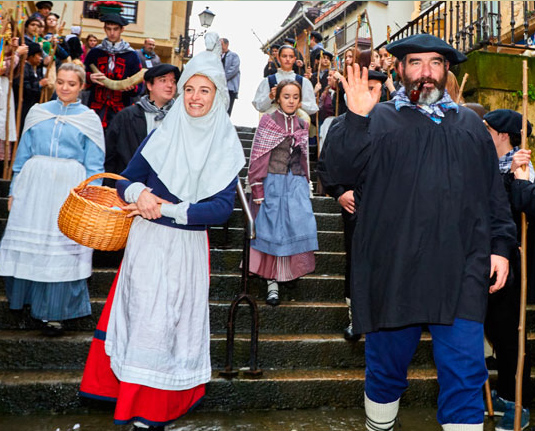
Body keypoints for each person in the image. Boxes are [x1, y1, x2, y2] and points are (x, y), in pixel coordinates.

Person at [323, 33, 516, 430]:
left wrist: (500, 246)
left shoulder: (471, 128)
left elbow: (493, 197)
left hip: (461, 266)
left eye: (434, 63)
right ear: (400, 69)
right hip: (394, 266)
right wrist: (356, 119)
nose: (425, 73)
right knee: (386, 369)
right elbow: (337, 173)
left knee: (465, 371)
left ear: (447, 71)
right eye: (415, 63)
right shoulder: (377, 119)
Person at [79, 32, 245, 431]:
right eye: (189, 89)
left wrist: (168, 208)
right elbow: (124, 180)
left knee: (172, 324)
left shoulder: (226, 146)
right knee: (144, 321)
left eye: (204, 90)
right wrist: (139, 192)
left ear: (218, 95)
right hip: (147, 243)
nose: (194, 97)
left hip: (186, 247)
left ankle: (158, 408)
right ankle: (131, 403)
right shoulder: (163, 133)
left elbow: (222, 210)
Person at [0, 63, 105, 336]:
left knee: (61, 247)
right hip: (34, 186)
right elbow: (22, 155)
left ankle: (55, 313)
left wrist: (91, 198)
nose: (65, 88)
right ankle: (26, 305)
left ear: (82, 86)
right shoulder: (37, 113)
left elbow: (94, 164)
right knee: (32, 244)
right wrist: (15, 189)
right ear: (54, 83)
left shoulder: (89, 119)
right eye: (60, 82)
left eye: (71, 83)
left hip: (68, 187)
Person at [317, 69, 387, 342]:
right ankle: (354, 316)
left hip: (386, 207)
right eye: (362, 86)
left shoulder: (391, 123)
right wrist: (338, 193)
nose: (366, 92)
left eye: (373, 88)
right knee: (356, 262)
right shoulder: (338, 125)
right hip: (354, 208)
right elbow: (326, 165)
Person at [482, 109, 533, 431]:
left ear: (501, 134)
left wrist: (515, 178)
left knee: (509, 335)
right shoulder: (488, 166)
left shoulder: (523, 167)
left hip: (512, 265)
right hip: (484, 259)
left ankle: (520, 401)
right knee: (494, 332)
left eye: (486, 129)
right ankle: (502, 393)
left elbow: (516, 205)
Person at [248, 79, 318, 306]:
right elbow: (258, 156)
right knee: (273, 230)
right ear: (278, 98)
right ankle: (272, 283)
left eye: (295, 97)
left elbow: (305, 157)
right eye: (286, 96)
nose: (291, 101)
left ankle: (288, 274)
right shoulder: (268, 122)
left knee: (297, 227)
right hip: (273, 183)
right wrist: (257, 186)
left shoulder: (303, 124)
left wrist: (307, 182)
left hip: (295, 183)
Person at [105, 63, 180, 176]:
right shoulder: (126, 117)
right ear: (149, 85)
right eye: (163, 80)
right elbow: (111, 156)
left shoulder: (180, 118)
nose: (170, 85)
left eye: (173, 81)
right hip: (128, 185)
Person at [84, 13, 142, 128]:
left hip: (121, 108)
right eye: (109, 29)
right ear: (104, 29)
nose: (112, 33)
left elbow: (140, 87)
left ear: (122, 30)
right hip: (96, 107)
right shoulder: (95, 53)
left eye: (115, 29)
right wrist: (89, 77)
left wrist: (132, 88)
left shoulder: (131, 55)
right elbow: (81, 76)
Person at [252, 45, 318, 117]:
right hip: (274, 123)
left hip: (296, 124)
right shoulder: (268, 81)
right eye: (284, 56)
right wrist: (270, 97)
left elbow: (313, 108)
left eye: (291, 56)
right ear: (278, 58)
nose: (287, 59)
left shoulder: (303, 82)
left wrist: (299, 104)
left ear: (295, 59)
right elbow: (259, 106)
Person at [13, 42, 49, 134]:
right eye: (38, 55)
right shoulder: (24, 68)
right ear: (31, 56)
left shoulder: (35, 69)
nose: (41, 58)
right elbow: (24, 88)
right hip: (23, 108)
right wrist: (39, 85)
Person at [220, 37, 240, 116]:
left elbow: (234, 69)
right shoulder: (217, 56)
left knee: (228, 110)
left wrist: (222, 78)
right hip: (220, 87)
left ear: (226, 44)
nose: (220, 46)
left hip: (230, 88)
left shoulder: (234, 56)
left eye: (221, 44)